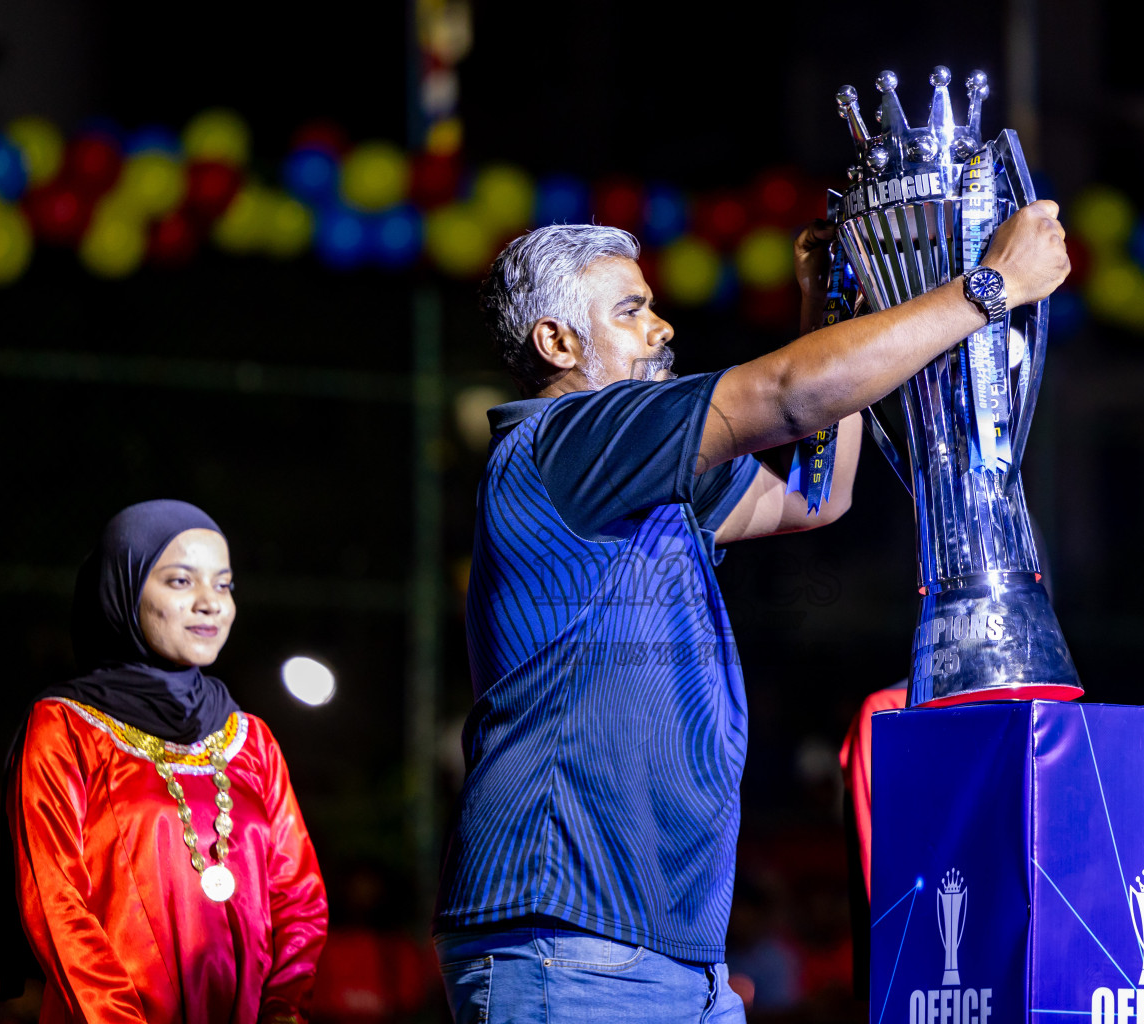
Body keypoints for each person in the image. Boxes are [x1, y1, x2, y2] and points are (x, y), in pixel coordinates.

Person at [435, 202, 1068, 1023]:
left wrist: (830, 307)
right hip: (569, 936)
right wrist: (989, 288)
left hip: (666, 950)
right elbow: (786, 394)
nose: (662, 327)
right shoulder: (570, 438)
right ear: (557, 343)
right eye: (630, 311)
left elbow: (815, 496)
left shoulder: (630, 470)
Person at [0, 500, 328, 1024]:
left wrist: (281, 1011)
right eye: (180, 581)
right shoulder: (65, 728)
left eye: (224, 585)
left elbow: (299, 898)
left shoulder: (252, 740)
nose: (210, 603)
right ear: (124, 589)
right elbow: (55, 900)